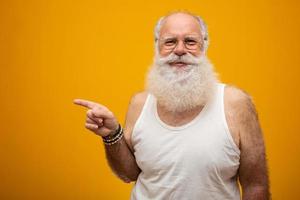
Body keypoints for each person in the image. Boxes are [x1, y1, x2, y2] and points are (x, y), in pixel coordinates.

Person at [74, 11, 270, 200]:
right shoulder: (139, 103)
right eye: (170, 42)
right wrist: (112, 134)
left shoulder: (235, 103)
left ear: (205, 46)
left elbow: (256, 185)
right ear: (157, 48)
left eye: (190, 41)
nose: (179, 50)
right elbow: (130, 174)